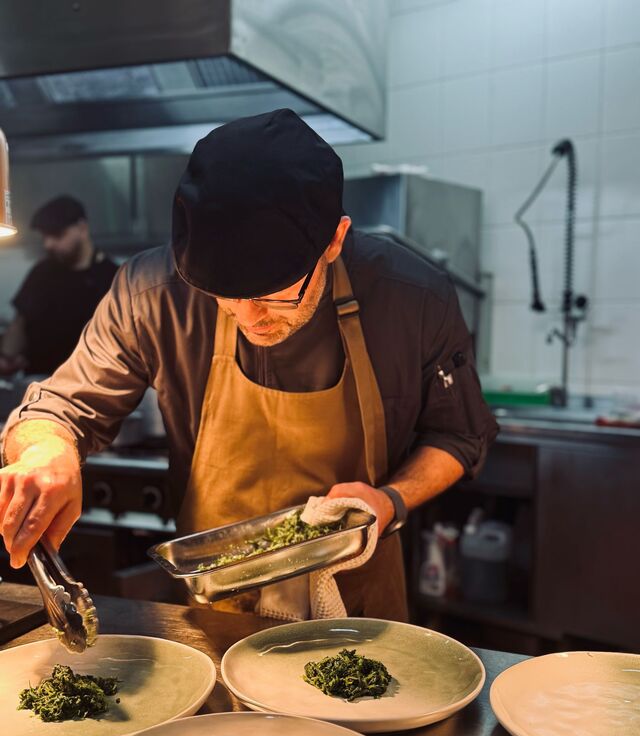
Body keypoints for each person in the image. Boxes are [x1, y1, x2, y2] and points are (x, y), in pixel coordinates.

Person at [0, 109, 497, 621]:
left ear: (334, 240)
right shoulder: (152, 292)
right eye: (222, 294)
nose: (246, 317)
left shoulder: (411, 298)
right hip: (214, 609)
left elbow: (459, 434)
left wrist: (391, 500)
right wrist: (46, 451)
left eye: (270, 295)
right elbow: (58, 409)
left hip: (356, 613)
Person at [0, 195, 118, 376]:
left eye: (57, 235)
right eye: (45, 236)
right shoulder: (42, 272)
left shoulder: (111, 277)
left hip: (91, 381)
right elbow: (20, 323)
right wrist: (6, 359)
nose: (48, 244)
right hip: (40, 379)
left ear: (82, 228)